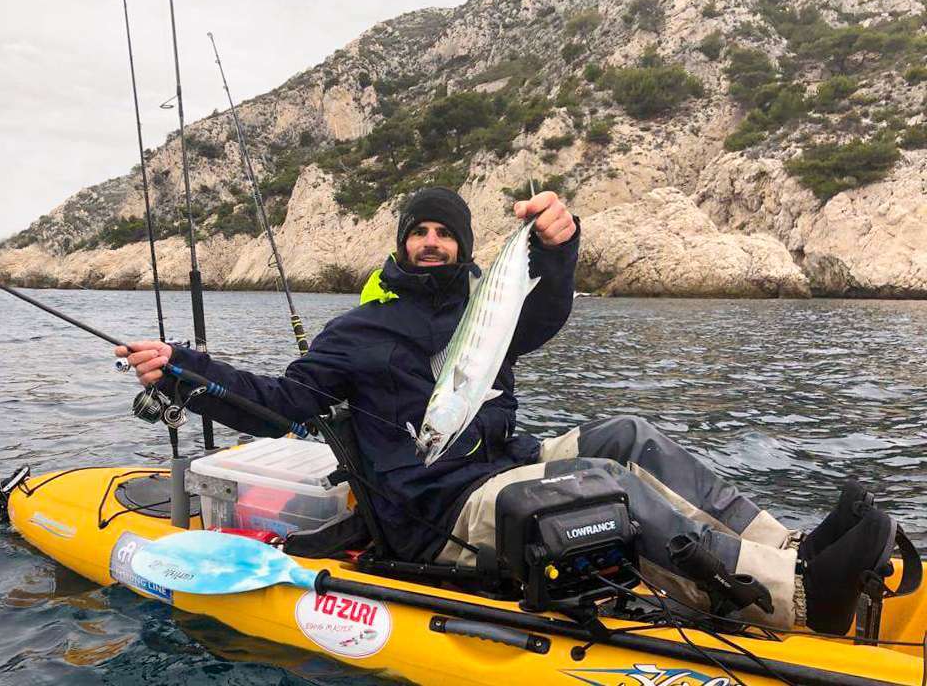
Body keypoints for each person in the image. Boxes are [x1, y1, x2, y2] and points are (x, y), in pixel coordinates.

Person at [117, 186, 901, 635]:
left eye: (445, 234)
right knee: (599, 480)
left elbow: (548, 313)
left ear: (462, 247)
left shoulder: (481, 311)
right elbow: (282, 405)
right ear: (401, 244)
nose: (432, 244)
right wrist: (184, 371)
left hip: (498, 461)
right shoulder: (357, 332)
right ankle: (797, 597)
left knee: (628, 434)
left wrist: (557, 248)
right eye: (418, 233)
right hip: (435, 507)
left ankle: (788, 547)